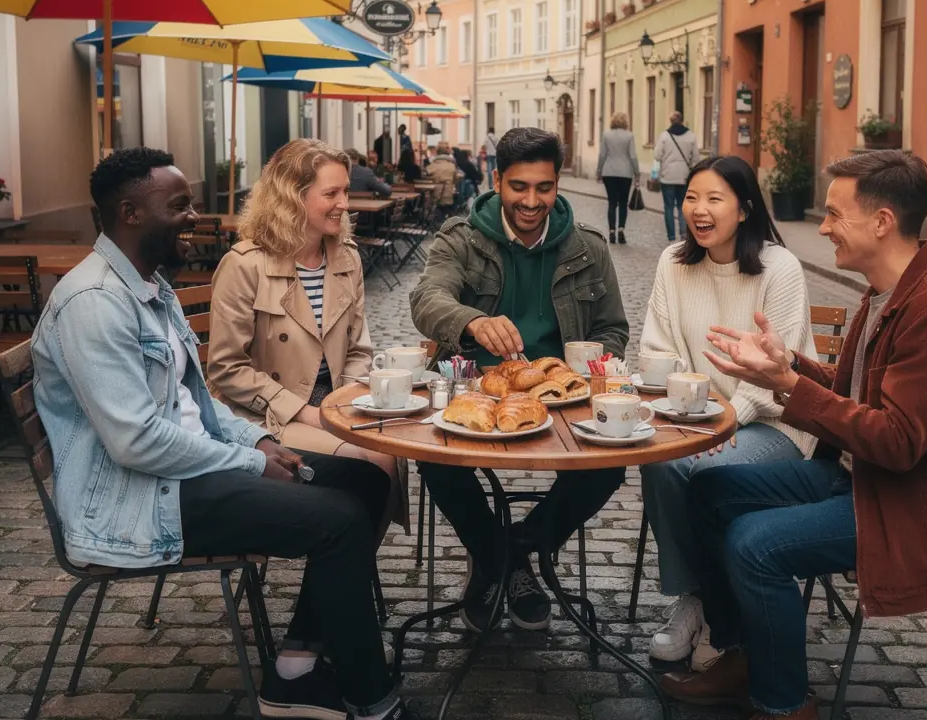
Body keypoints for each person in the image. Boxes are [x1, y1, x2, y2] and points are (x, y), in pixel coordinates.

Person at [29, 147, 475, 720]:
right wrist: (249, 455)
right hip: (139, 501)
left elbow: (196, 403)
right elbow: (136, 443)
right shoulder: (95, 303)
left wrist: (254, 443)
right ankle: (374, 716)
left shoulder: (146, 288)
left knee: (364, 481)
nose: (193, 217)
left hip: (183, 473)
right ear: (130, 212)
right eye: (178, 205)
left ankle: (293, 675)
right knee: (342, 522)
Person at [661, 151, 927, 720]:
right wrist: (785, 364)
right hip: (868, 478)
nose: (821, 227)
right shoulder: (887, 290)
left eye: (833, 214)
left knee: (755, 544)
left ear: (880, 221)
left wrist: (791, 384)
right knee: (708, 489)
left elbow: (900, 442)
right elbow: (850, 393)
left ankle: (788, 713)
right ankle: (743, 655)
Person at [409, 128, 630, 633]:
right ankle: (502, 560)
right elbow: (427, 301)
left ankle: (510, 553)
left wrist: (586, 369)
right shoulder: (460, 239)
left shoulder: (588, 247)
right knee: (436, 462)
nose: (532, 201)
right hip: (477, 391)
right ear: (497, 181)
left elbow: (613, 329)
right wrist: (471, 322)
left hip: (562, 397)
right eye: (519, 187)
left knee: (608, 466)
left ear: (558, 185)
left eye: (544, 187)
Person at [638, 156, 817, 667]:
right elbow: (657, 350)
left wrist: (731, 415)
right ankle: (693, 598)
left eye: (715, 198)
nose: (699, 209)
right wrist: (694, 415)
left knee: (709, 472)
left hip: (772, 423)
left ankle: (725, 614)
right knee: (661, 461)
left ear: (744, 209)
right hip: (697, 417)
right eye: (692, 197)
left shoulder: (779, 268)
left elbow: (776, 373)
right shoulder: (674, 261)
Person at [208, 139, 406, 537]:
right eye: (331, 193)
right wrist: (306, 412)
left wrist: (345, 403)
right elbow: (227, 368)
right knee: (373, 464)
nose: (344, 203)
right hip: (266, 414)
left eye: (346, 191)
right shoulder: (245, 265)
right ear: (291, 198)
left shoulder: (346, 257)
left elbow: (358, 348)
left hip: (331, 405)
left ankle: (344, 571)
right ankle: (346, 570)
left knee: (393, 453)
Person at [654, 112, 699, 241]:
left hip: (667, 176)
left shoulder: (665, 136)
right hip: (684, 176)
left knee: (668, 207)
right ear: (682, 120)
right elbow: (696, 158)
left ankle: (671, 236)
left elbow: (657, 155)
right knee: (682, 206)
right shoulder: (691, 136)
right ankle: (684, 234)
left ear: (671, 121)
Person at [595, 112, 640, 244]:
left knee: (612, 203)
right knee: (623, 203)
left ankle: (611, 232)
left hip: (609, 172)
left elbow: (602, 155)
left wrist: (598, 170)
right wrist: (637, 172)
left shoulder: (606, 135)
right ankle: (621, 229)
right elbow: (633, 155)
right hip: (625, 172)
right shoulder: (629, 135)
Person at [425, 141, 461, 207]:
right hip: (448, 196)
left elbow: (426, 179)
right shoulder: (452, 166)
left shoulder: (431, 166)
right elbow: (455, 180)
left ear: (437, 153)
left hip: (435, 196)